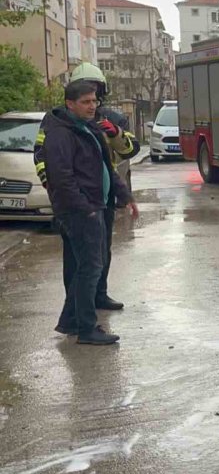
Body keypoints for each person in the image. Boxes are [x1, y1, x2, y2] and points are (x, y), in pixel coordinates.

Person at [34, 62, 141, 311]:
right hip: (76, 201)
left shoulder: (110, 119)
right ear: (72, 98)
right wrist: (54, 188)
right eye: (85, 93)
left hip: (102, 197)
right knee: (76, 259)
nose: (91, 98)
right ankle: (77, 310)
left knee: (101, 252)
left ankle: (99, 295)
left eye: (94, 91)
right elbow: (42, 157)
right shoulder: (56, 122)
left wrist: (115, 133)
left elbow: (129, 151)